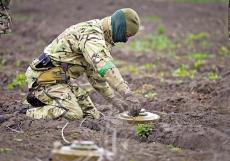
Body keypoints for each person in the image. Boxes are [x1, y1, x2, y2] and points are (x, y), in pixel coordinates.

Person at [25, 8, 142, 120]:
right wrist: (127, 93)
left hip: (60, 80)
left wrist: (115, 101)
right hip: (43, 80)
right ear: (119, 27)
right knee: (74, 114)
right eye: (127, 35)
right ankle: (28, 113)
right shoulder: (92, 35)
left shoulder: (102, 39)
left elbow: (96, 76)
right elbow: (104, 66)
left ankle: (49, 102)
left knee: (92, 115)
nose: (125, 40)